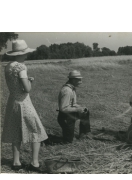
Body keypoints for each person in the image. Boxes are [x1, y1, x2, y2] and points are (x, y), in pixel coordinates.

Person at [1, 40, 48, 172]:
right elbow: (27, 89)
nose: (27, 56)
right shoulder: (21, 67)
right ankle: (35, 163)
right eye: (25, 53)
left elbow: (16, 82)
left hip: (12, 102)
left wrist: (27, 79)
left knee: (15, 131)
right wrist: (29, 82)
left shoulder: (8, 66)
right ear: (21, 53)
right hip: (23, 102)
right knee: (36, 131)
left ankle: (16, 162)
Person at [57, 70, 92, 143]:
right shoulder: (67, 91)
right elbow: (63, 108)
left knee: (85, 111)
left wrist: (80, 108)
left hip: (70, 114)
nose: (81, 81)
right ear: (73, 80)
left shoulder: (72, 89)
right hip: (65, 117)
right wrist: (78, 109)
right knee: (68, 141)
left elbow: (73, 104)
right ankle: (48, 140)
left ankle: (84, 134)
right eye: (79, 79)